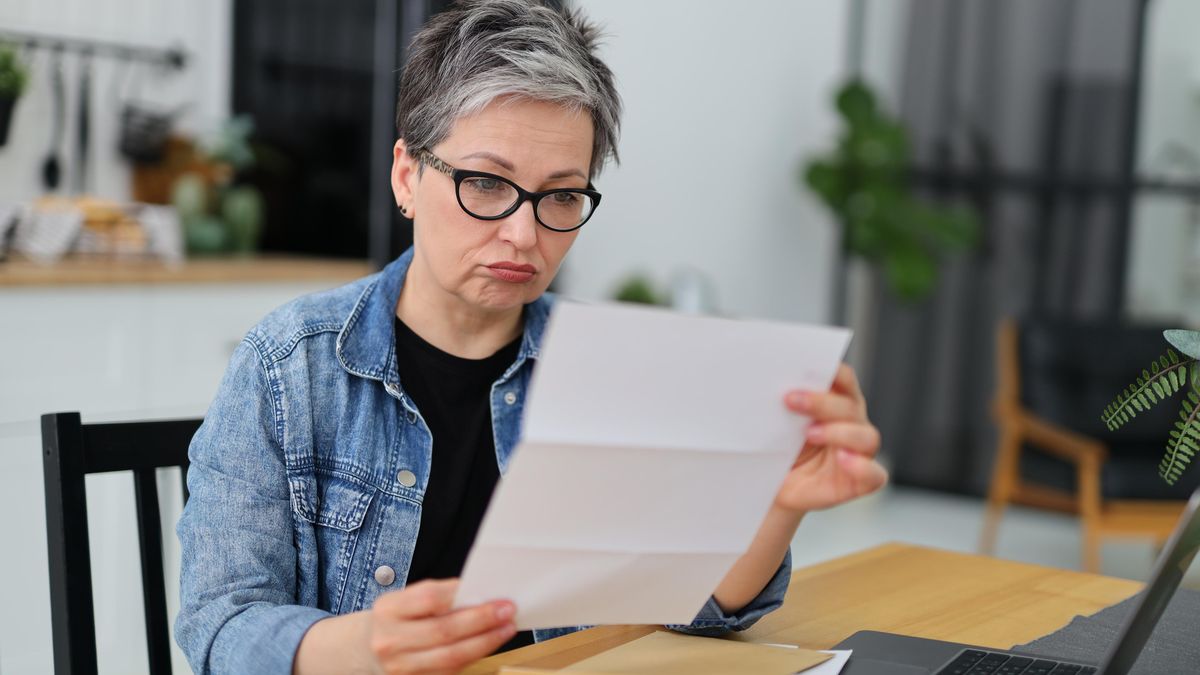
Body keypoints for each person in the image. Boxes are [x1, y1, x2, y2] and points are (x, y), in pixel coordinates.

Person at [174, 1, 887, 673]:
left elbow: (692, 606)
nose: (524, 233)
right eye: (487, 183)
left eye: (562, 195)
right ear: (407, 176)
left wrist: (780, 501)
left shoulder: (609, 369)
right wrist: (364, 646)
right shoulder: (290, 367)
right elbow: (219, 623)